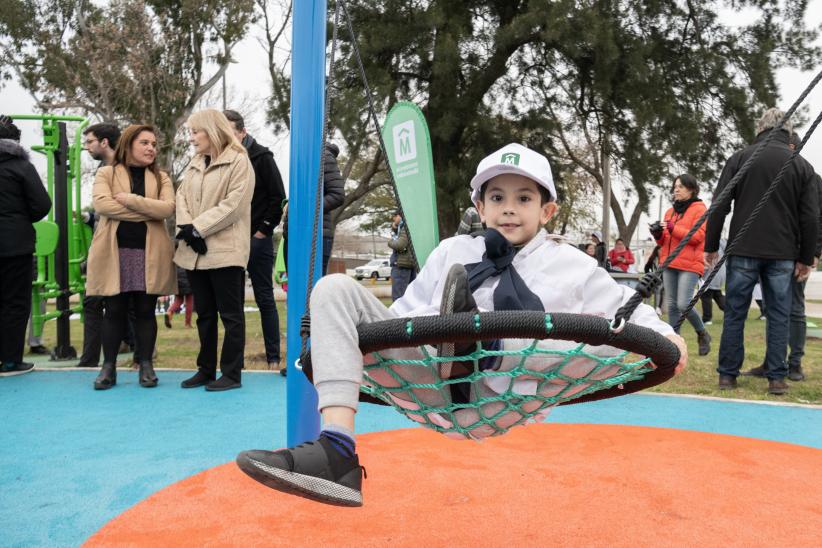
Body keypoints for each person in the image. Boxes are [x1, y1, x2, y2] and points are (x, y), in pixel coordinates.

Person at [235, 143, 687, 506]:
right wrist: (342, 345)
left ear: (547, 211)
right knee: (332, 289)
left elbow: (629, 311)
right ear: (480, 206)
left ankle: (470, 341)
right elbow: (402, 321)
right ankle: (336, 451)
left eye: (524, 198)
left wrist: (668, 338)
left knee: (590, 339)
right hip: (434, 390)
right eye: (497, 198)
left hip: (513, 392)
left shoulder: (572, 265)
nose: (509, 209)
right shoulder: (455, 252)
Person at [705, 108, 818, 395]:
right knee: (779, 315)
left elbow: (719, 205)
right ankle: (777, 378)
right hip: (782, 253)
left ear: (760, 128)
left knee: (735, 313)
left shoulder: (741, 158)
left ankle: (728, 375)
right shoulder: (801, 165)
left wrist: (711, 245)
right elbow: (809, 217)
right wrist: (806, 257)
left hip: (743, 247)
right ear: (788, 130)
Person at [85, 124, 176, 390]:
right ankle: (108, 367)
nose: (151, 148)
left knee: (146, 311)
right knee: (113, 310)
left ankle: (145, 365)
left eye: (154, 144)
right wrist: (149, 210)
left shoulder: (161, 178)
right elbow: (103, 205)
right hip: (115, 252)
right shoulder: (107, 173)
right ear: (128, 144)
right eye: (144, 143)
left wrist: (129, 200)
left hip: (149, 253)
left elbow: (167, 208)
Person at [175, 109, 254, 392]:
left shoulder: (239, 161)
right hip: (195, 253)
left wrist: (198, 228)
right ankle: (205, 369)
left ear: (213, 130)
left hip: (225, 251)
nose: (192, 138)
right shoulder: (195, 163)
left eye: (196, 131)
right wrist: (186, 228)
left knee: (231, 316)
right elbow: (181, 196)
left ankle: (231, 373)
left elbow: (234, 205)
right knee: (204, 314)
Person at [743, 132, 822, 381]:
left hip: (798, 253)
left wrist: (812, 254)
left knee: (795, 308)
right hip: (777, 251)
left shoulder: (811, 177)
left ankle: (795, 363)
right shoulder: (778, 176)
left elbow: (816, 220)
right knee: (774, 308)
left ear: (791, 147)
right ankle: (772, 362)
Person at [223, 110, 286, 369]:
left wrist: (263, 231)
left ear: (242, 132)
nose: (225, 137)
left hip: (257, 239)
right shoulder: (222, 160)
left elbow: (278, 197)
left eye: (229, 132)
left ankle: (273, 357)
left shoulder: (262, 157)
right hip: (230, 241)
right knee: (232, 301)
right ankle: (234, 362)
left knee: (264, 299)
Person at [0, 115, 52, 377]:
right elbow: (42, 204)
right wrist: (21, 219)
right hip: (14, 244)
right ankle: (10, 360)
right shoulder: (21, 167)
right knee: (15, 302)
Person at [651, 174, 712, 356]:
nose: (676, 189)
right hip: (670, 262)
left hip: (690, 263)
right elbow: (665, 242)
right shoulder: (670, 212)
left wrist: (671, 228)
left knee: (683, 303)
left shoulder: (700, 209)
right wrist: (658, 234)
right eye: (675, 186)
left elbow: (696, 237)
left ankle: (702, 333)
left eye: (681, 187)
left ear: (692, 189)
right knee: (670, 305)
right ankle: (674, 344)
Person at [77, 124, 122, 368]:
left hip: (121, 242)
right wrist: (91, 218)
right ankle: (89, 360)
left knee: (124, 302)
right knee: (92, 301)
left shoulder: (121, 168)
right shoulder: (102, 169)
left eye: (90, 141)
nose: (87, 146)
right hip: (102, 240)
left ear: (104, 142)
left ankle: (139, 356)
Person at [281, 142, 345, 276]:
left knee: (313, 289)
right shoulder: (301, 156)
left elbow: (337, 195)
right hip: (293, 233)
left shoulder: (323, 156)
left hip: (315, 234)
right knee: (294, 287)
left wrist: (305, 211)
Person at [388, 210, 416, 300]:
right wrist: (395, 229)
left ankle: (399, 314)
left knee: (398, 297)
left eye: (395, 216)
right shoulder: (406, 227)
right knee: (408, 297)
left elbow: (400, 245)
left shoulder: (405, 228)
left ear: (400, 216)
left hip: (401, 266)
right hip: (407, 264)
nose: (393, 218)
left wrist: (390, 242)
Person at [700, 238, 726, 325]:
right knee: (717, 295)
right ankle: (731, 311)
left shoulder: (708, 244)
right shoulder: (721, 243)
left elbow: (705, 264)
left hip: (710, 275)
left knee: (706, 296)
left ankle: (707, 318)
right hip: (720, 273)